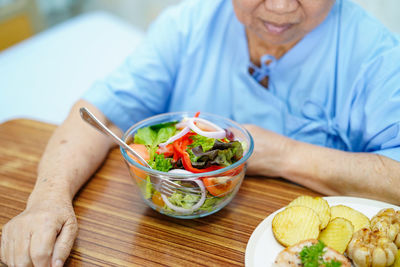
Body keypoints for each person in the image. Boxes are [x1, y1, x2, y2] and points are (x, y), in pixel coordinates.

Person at [2, 0, 400, 266]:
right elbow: (97, 113)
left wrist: (283, 154)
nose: (279, 7)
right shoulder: (186, 25)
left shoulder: (376, 55)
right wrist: (46, 201)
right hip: (163, 244)